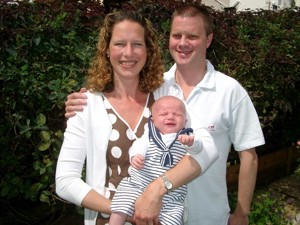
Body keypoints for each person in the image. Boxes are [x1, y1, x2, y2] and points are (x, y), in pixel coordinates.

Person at [64, 4, 265, 225]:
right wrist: (126, 207)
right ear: (106, 49)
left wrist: (157, 189)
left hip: (201, 216)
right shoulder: (159, 88)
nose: (128, 53)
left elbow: (215, 149)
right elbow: (65, 180)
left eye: (137, 44)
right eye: (120, 43)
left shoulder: (168, 95)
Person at [109, 96, 202, 225]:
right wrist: (135, 156)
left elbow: (199, 150)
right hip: (138, 184)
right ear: (152, 120)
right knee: (120, 204)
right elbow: (138, 145)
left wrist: (192, 144)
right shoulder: (149, 135)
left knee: (173, 218)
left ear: (185, 120)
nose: (170, 117)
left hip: (172, 193)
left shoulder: (186, 136)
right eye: (164, 114)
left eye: (177, 114)